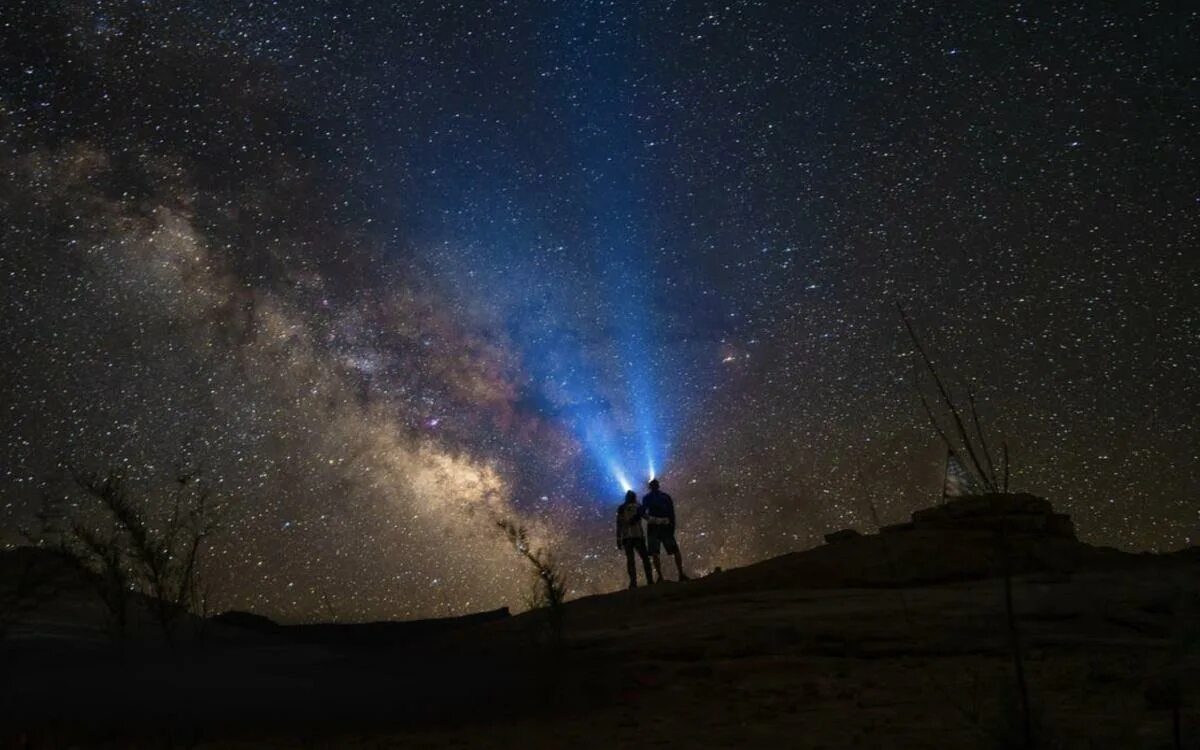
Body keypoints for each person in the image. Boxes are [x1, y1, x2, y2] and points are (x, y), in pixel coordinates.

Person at [642, 478, 688, 582]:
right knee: (675, 550)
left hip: (653, 527)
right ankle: (681, 574)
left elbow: (642, 511)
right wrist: (671, 526)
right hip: (666, 526)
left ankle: (660, 577)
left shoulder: (647, 498)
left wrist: (650, 518)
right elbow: (671, 513)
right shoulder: (666, 497)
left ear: (650, 487)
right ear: (658, 486)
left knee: (655, 552)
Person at [615, 490, 654, 588]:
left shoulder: (622, 508)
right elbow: (647, 517)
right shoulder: (638, 507)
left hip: (628, 537)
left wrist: (618, 538)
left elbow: (618, 524)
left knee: (631, 560)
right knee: (644, 558)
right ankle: (649, 580)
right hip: (637, 536)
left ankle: (634, 582)